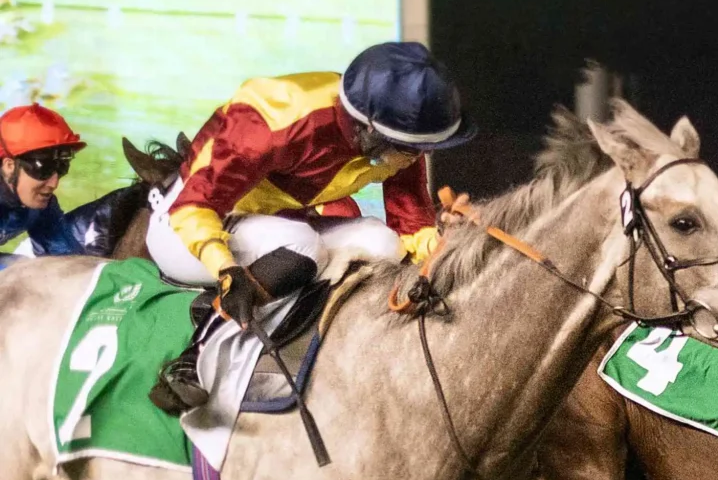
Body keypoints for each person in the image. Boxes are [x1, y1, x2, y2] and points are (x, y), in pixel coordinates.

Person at [150, 41, 471, 408]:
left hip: (273, 226)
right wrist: (226, 268)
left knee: (382, 243)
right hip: (184, 224)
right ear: (368, 131)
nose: (419, 157)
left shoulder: (392, 130)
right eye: (412, 149)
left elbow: (409, 220)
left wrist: (446, 251)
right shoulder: (274, 118)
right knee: (301, 245)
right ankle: (192, 359)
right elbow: (195, 205)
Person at [0, 103, 121, 267]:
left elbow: (66, 260)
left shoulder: (42, 207)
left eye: (61, 168)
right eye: (44, 169)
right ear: (9, 166)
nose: (54, 183)